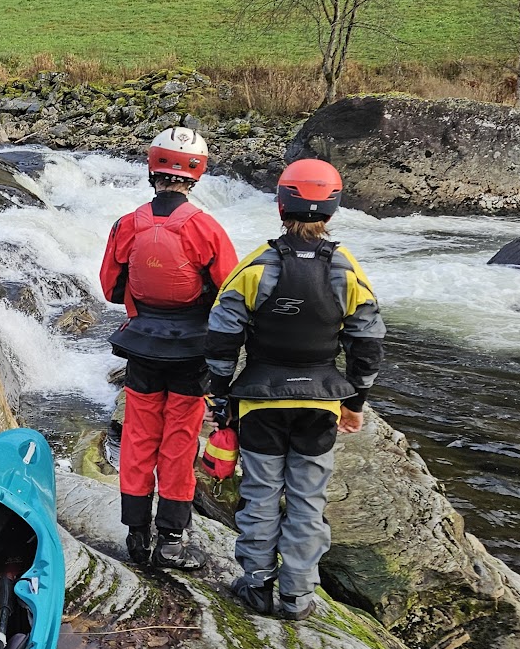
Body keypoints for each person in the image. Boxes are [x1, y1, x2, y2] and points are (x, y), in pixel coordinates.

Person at [205, 158, 385, 620]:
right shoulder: (347, 269)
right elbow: (367, 341)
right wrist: (356, 402)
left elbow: (223, 338)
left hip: (260, 402)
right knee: (308, 498)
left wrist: (221, 397)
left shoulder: (254, 267)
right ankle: (297, 597)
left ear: (281, 203)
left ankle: (256, 585)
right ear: (333, 208)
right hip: (320, 404)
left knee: (261, 495)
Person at [98, 127, 238, 570]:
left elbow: (110, 288)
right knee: (179, 442)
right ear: (197, 172)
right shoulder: (206, 228)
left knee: (138, 438)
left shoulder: (127, 224)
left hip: (141, 349)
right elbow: (229, 294)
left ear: (153, 167)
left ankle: (136, 536)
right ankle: (172, 540)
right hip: (191, 354)